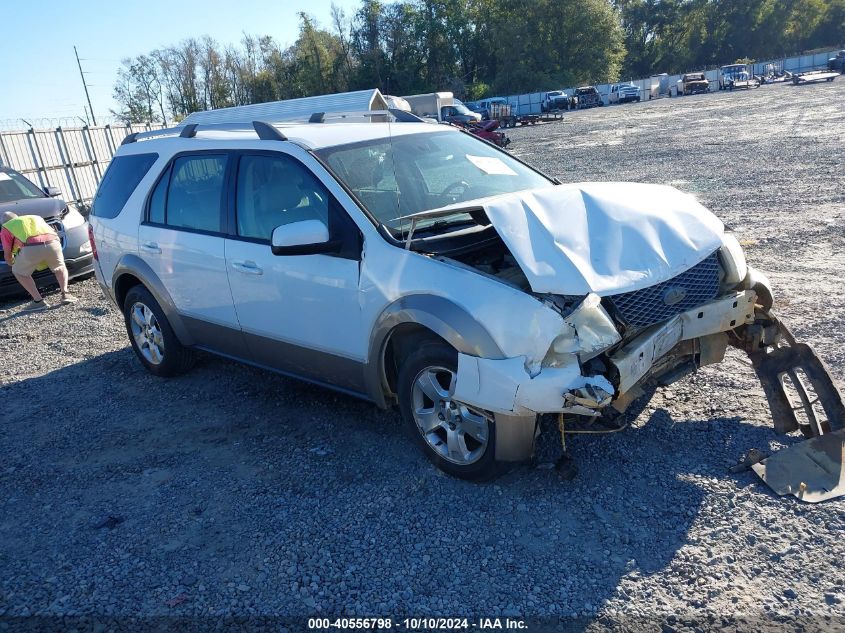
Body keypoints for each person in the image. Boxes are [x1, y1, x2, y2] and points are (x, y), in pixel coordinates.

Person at [1, 211, 77, 311]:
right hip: (53, 242)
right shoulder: (35, 217)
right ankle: (65, 294)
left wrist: (11, 263)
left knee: (19, 272)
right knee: (60, 267)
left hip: (31, 247)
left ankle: (38, 301)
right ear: (17, 217)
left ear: (3, 222)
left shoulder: (6, 227)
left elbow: (7, 252)